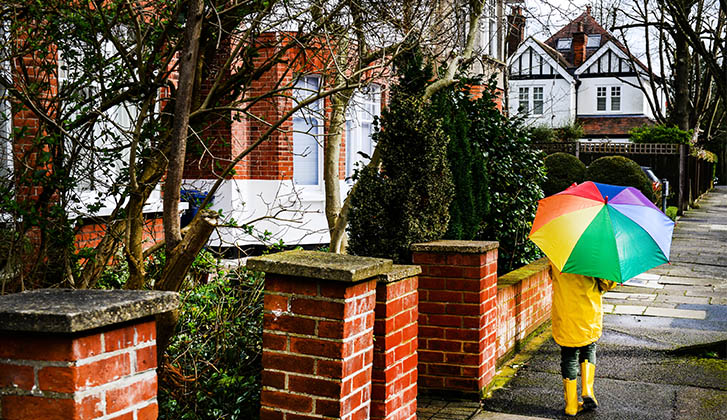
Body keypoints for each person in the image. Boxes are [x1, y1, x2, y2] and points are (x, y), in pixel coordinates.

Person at [549, 261, 617, 416]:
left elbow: (551, 275)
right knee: (589, 347)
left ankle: (571, 406)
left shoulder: (557, 253)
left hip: (565, 312)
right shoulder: (595, 254)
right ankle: (587, 389)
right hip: (588, 311)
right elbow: (606, 284)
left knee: (568, 356)